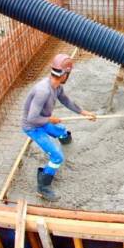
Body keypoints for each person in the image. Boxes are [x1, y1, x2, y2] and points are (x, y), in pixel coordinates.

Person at [22, 54, 97, 200]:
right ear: (64, 75)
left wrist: (84, 113)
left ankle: (65, 142)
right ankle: (42, 187)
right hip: (33, 127)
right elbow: (32, 118)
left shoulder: (56, 87)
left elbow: (66, 101)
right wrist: (50, 119)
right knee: (57, 157)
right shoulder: (43, 91)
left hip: (42, 121)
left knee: (62, 130)